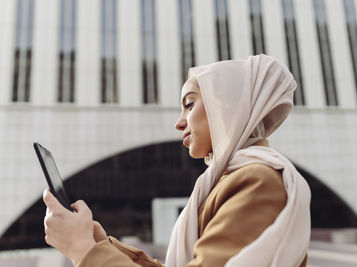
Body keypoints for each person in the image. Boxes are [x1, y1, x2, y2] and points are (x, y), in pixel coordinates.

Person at [43, 54, 311, 267]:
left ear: (227, 108)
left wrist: (84, 251)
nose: (179, 122)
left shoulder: (257, 180)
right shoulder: (229, 179)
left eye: (190, 104)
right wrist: (104, 247)